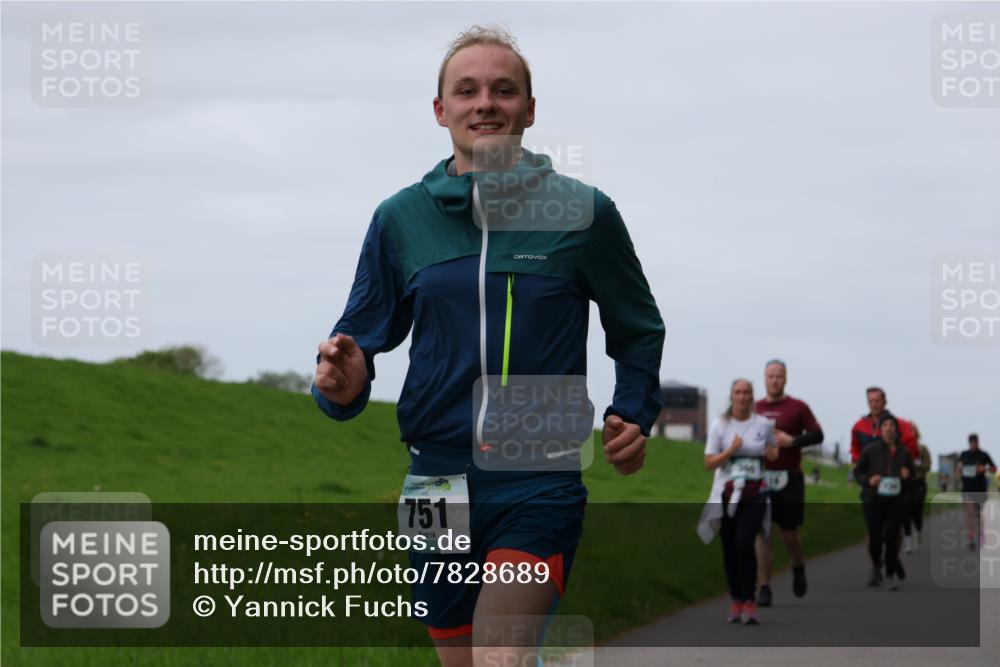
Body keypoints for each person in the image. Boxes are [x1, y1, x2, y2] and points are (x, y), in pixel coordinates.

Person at [311, 25, 665, 667]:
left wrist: (633, 411)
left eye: (504, 91)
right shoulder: (400, 217)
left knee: (500, 657)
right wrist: (340, 383)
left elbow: (637, 327)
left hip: (538, 475)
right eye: (467, 90)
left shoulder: (584, 213)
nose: (486, 104)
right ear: (441, 110)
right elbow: (360, 338)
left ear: (529, 110)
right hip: (434, 479)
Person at [699, 379, 778, 625]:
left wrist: (769, 454)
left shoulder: (763, 425)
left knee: (745, 543)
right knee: (731, 549)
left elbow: (774, 451)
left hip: (755, 493)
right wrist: (731, 451)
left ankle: (750, 600)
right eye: (738, 392)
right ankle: (736, 599)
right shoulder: (720, 425)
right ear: (731, 396)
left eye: (746, 393)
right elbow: (709, 463)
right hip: (725, 493)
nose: (742, 397)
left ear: (752, 397)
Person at [752, 359, 823, 607]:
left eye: (779, 376)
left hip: (789, 478)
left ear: (786, 379)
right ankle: (764, 587)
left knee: (789, 533)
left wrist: (792, 441)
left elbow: (817, 434)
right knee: (763, 532)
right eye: (770, 376)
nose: (775, 381)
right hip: (760, 478)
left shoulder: (798, 407)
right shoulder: (755, 408)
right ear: (764, 379)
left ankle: (798, 564)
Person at [853, 415, 914, 590]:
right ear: (880, 430)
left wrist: (907, 475)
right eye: (885, 425)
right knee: (875, 538)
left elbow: (913, 476)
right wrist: (869, 479)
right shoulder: (870, 450)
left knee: (891, 536)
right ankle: (878, 564)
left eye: (891, 425)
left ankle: (889, 574)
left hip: (897, 500)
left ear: (896, 430)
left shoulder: (905, 453)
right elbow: (857, 473)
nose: (888, 428)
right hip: (873, 499)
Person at [850, 387, 918, 463]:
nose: (874, 405)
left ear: (885, 402)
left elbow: (911, 447)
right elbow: (854, 450)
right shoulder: (859, 426)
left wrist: (903, 463)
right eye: (871, 401)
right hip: (865, 469)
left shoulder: (900, 425)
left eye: (877, 401)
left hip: (891, 468)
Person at [955, 433, 997, 551]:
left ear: (978, 443)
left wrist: (985, 468)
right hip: (967, 488)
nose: (973, 444)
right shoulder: (964, 454)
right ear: (969, 443)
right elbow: (958, 468)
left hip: (980, 489)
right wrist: (958, 471)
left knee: (978, 514)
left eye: (975, 442)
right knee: (970, 512)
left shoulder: (984, 455)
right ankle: (971, 538)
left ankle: (981, 535)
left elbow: (994, 469)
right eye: (971, 442)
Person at [902, 423, 931, 553]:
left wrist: (918, 463)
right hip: (906, 484)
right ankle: (908, 541)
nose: (911, 433)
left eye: (913, 431)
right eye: (908, 431)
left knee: (916, 512)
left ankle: (918, 531)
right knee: (906, 512)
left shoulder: (922, 449)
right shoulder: (902, 449)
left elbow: (927, 465)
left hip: (919, 483)